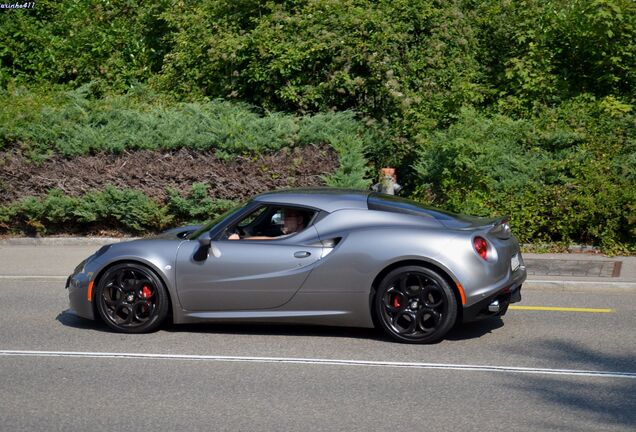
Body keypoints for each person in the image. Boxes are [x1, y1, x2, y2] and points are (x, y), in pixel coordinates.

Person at [228, 208, 306, 240]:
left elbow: (271, 240)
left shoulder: (299, 237)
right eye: (283, 216)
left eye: (288, 216)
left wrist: (241, 240)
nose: (283, 220)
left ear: (299, 220)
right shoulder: (299, 236)